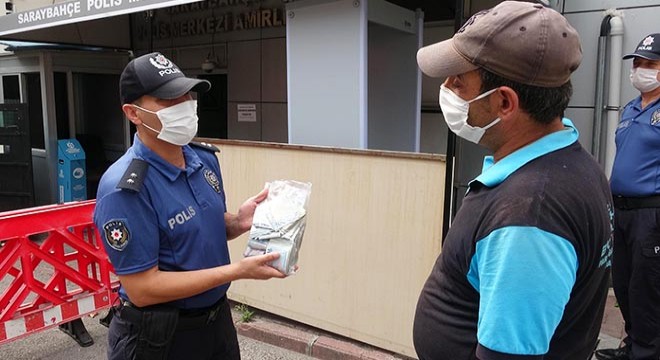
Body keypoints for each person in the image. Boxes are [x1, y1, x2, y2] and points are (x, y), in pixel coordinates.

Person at [412, 2, 613, 359]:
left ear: (505, 102)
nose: (446, 87)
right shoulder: (568, 161)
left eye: (459, 80)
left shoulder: (529, 217)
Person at [93, 52, 287, 360]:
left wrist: (237, 221)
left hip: (216, 322)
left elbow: (198, 230)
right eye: (168, 100)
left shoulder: (203, 159)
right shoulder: (125, 187)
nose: (184, 105)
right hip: (158, 337)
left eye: (186, 94)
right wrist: (236, 271)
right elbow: (143, 289)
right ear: (133, 113)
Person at [595, 33, 660, 360]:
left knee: (647, 288)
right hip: (621, 212)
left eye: (649, 63)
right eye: (637, 63)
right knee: (623, 284)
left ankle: (647, 353)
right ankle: (633, 345)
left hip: (651, 214)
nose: (639, 69)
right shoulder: (631, 108)